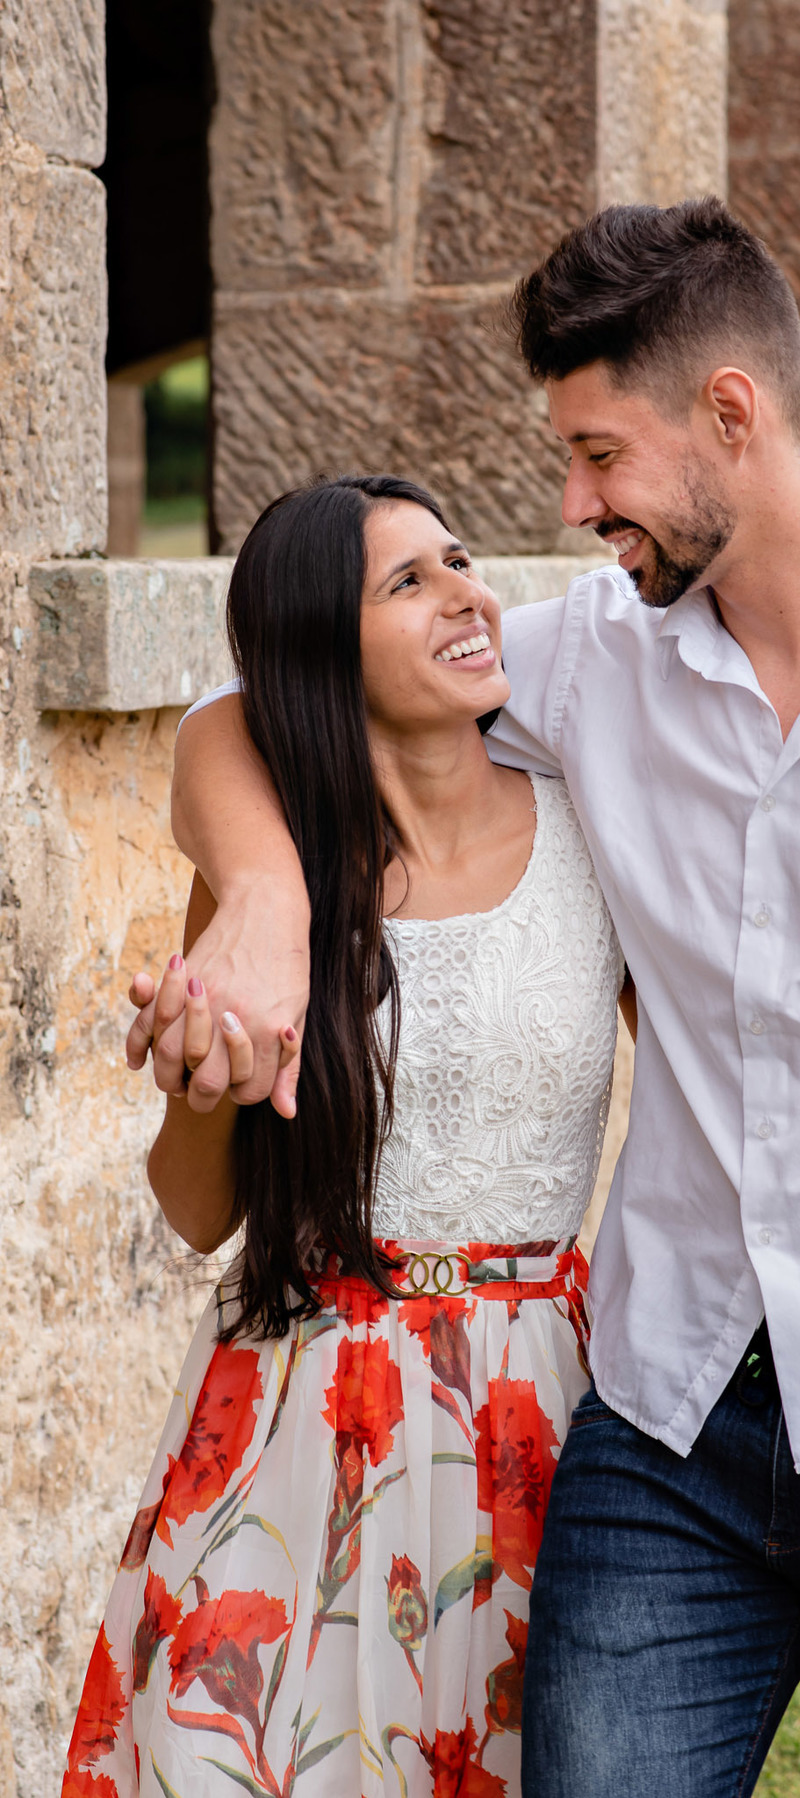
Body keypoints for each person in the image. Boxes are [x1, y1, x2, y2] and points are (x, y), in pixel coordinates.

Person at [144, 199, 800, 1798]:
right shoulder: (593, 665)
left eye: (600, 456)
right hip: (665, 1438)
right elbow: (246, 697)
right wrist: (273, 903)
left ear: (731, 412)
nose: (572, 506)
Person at [62, 474, 629, 1797]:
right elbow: (199, 1211)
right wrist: (206, 1083)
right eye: (408, 582)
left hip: (533, 1411)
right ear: (325, 642)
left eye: (461, 559)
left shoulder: (594, 831)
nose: (467, 596)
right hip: (294, 1415)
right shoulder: (278, 871)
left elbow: (736, 1068)